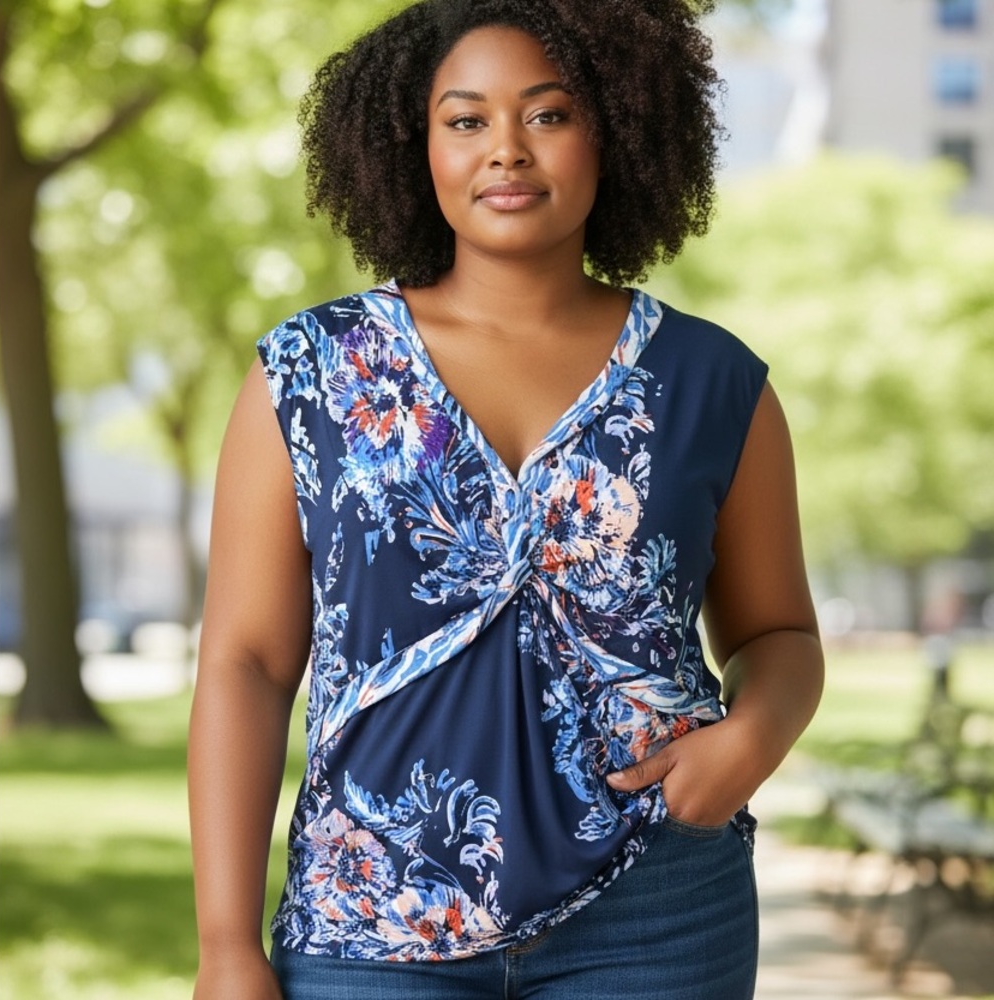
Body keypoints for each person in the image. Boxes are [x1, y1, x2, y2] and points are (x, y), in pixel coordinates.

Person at [188, 1, 825, 997]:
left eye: (549, 115)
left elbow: (779, 632)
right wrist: (225, 943)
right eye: (466, 119)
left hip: (656, 906)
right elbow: (247, 661)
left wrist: (752, 738)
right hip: (370, 920)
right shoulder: (308, 374)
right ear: (414, 145)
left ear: (614, 131)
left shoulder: (712, 380)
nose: (508, 152)